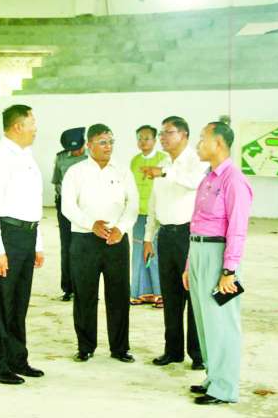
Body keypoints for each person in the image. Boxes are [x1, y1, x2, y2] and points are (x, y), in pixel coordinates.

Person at [182, 118, 253, 405]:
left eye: (202, 139)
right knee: (205, 321)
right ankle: (213, 377)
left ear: (219, 143)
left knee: (222, 322)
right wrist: (189, 264)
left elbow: (237, 228)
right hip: (199, 252)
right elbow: (197, 223)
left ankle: (225, 388)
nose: (198, 145)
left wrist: (229, 271)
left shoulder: (233, 179)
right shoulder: (208, 178)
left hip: (218, 256)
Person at [0, 104, 45, 385]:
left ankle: (17, 358)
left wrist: (37, 243)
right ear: (18, 126)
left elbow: (32, 203)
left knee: (19, 303)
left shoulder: (26, 156)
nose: (36, 128)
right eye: (33, 122)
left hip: (26, 236)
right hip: (6, 235)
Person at [62, 124, 139, 363]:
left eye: (111, 142)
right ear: (89, 145)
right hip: (84, 240)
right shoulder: (76, 172)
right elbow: (67, 207)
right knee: (85, 295)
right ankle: (85, 347)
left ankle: (120, 348)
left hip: (116, 239)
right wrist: (91, 224)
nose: (108, 147)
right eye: (103, 142)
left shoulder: (123, 172)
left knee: (119, 295)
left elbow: (133, 204)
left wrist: (121, 228)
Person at [142, 116, 206, 370]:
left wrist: (165, 172)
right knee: (170, 296)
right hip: (166, 236)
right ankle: (173, 350)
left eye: (168, 132)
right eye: (161, 133)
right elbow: (153, 204)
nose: (163, 137)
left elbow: (193, 183)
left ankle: (198, 354)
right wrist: (148, 237)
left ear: (184, 135)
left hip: (189, 235)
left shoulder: (197, 161)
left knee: (193, 295)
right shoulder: (163, 164)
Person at [129, 125, 167, 306]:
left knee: (154, 252)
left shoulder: (163, 160)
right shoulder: (134, 161)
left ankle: (160, 293)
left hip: (156, 214)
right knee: (138, 252)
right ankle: (141, 292)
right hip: (138, 213)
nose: (143, 142)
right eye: (140, 138)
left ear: (155, 140)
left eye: (147, 138)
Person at [51, 127, 88, 302]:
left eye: (78, 148)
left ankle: (86, 288)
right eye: (72, 149)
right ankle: (68, 288)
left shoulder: (91, 157)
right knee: (67, 246)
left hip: (87, 206)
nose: (76, 152)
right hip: (65, 206)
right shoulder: (60, 158)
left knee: (86, 246)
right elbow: (56, 181)